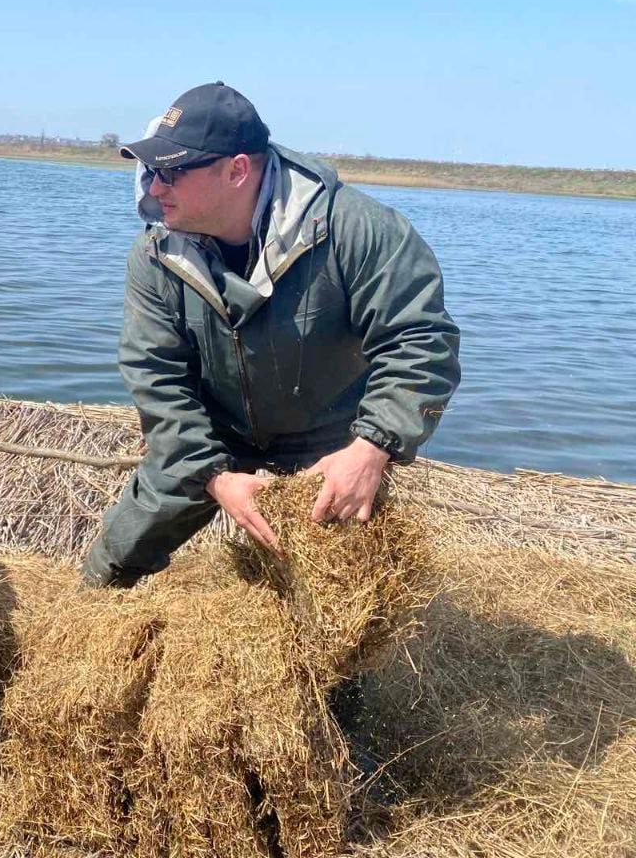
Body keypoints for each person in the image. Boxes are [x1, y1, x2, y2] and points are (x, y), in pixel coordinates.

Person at [81, 82, 460, 589]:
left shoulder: (358, 230)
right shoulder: (155, 256)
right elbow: (157, 377)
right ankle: (93, 608)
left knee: (342, 595)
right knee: (115, 558)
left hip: (328, 438)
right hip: (213, 433)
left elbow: (420, 341)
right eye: (151, 171)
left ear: (237, 170)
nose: (154, 188)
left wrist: (371, 448)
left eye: (170, 172)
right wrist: (214, 476)